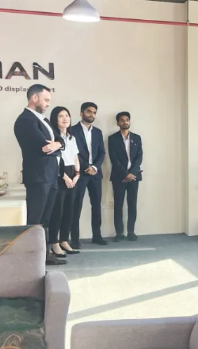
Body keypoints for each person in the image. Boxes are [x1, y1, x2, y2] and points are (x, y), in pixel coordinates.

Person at [13, 84, 66, 266]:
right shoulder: (25, 120)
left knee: (45, 219)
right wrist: (57, 145)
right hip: (38, 177)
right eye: (46, 100)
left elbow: (60, 140)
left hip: (51, 176)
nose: (48, 104)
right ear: (34, 98)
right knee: (35, 221)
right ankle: (31, 258)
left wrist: (57, 144)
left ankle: (44, 254)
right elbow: (42, 146)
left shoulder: (43, 120)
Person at [70, 102, 107, 247]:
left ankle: (97, 236)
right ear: (81, 113)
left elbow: (102, 153)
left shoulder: (98, 132)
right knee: (76, 206)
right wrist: (87, 167)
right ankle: (74, 239)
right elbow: (73, 153)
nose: (92, 114)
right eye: (89, 111)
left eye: (94, 112)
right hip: (79, 173)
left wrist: (95, 167)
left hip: (95, 174)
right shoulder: (72, 130)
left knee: (96, 206)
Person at [48, 106, 81, 258]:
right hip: (59, 174)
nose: (65, 118)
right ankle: (54, 242)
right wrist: (65, 177)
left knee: (69, 210)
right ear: (55, 119)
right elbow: (55, 159)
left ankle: (64, 240)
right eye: (61, 116)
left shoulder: (72, 137)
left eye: (67, 115)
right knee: (58, 211)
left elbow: (75, 157)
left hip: (72, 173)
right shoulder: (53, 137)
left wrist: (77, 174)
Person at [108, 111, 143, 242]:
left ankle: (131, 231)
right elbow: (114, 159)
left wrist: (132, 173)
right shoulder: (112, 139)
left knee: (132, 204)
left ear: (129, 121)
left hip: (134, 176)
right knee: (118, 204)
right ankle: (119, 232)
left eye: (127, 119)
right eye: (122, 120)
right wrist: (125, 174)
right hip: (119, 176)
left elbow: (139, 157)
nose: (125, 122)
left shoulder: (137, 138)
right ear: (118, 123)